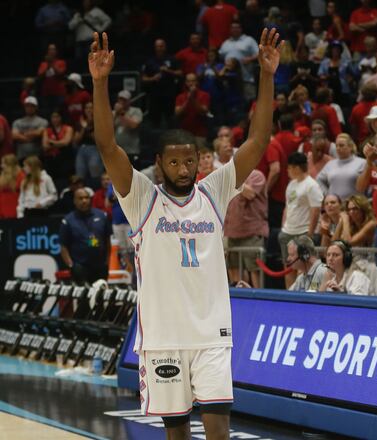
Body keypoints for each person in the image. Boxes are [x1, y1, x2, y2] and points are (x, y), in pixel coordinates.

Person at [89, 29, 280, 436]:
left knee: (217, 428)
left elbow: (259, 140)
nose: (183, 170)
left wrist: (266, 76)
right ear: (160, 164)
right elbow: (107, 146)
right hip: (163, 337)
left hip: (212, 333)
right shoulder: (141, 197)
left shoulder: (214, 190)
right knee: (176, 432)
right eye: (174, 164)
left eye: (190, 161)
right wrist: (100, 82)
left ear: (199, 162)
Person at [279, 152, 323, 289]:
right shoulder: (291, 184)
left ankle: (302, 296)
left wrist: (309, 234)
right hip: (288, 231)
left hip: (303, 231)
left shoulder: (311, 185)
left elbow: (315, 210)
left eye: (289, 168)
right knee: (288, 267)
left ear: (297, 168)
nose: (287, 171)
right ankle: (289, 296)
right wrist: (283, 228)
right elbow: (288, 207)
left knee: (303, 267)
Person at [224, 169, 268, 289]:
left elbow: (250, 193)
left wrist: (232, 180)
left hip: (252, 232)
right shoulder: (231, 177)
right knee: (233, 268)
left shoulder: (257, 175)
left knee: (254, 270)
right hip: (232, 232)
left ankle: (259, 300)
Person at [59, 187, 112, 284]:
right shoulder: (68, 221)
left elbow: (108, 242)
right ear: (74, 201)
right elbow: (63, 247)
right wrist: (71, 266)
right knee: (83, 298)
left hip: (100, 267)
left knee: (100, 297)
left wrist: (107, 263)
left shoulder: (102, 216)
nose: (84, 201)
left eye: (86, 198)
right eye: (80, 198)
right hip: (80, 268)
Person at [141, 39, 183, 129]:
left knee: (170, 119)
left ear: (165, 47)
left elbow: (180, 73)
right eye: (158, 46)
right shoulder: (150, 61)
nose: (159, 48)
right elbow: (143, 78)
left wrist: (168, 70)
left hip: (169, 95)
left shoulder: (172, 59)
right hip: (154, 95)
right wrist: (152, 78)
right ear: (155, 48)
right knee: (154, 121)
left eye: (161, 46)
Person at [316, 134, 366, 200]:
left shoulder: (362, 162)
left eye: (341, 145)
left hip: (354, 204)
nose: (338, 148)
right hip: (335, 205)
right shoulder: (330, 164)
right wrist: (327, 194)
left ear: (350, 147)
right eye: (336, 146)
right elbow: (319, 179)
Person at [175, 73, 211, 138]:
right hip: (184, 133)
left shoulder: (205, 95)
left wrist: (192, 99)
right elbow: (177, 113)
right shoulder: (180, 97)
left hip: (200, 134)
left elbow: (203, 112)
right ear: (186, 83)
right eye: (188, 81)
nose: (191, 83)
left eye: (193, 81)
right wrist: (188, 100)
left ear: (197, 82)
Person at [113, 90, 143, 156]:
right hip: (116, 151)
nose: (122, 102)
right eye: (120, 99)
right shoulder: (113, 113)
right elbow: (108, 129)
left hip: (131, 151)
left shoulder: (136, 111)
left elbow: (134, 125)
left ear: (129, 101)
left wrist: (121, 113)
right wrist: (116, 114)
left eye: (124, 100)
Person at [0, 154, 24, 219]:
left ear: (9, 165)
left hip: (15, 204)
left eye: (3, 164)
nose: (1, 166)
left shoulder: (21, 175)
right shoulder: (2, 176)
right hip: (2, 206)